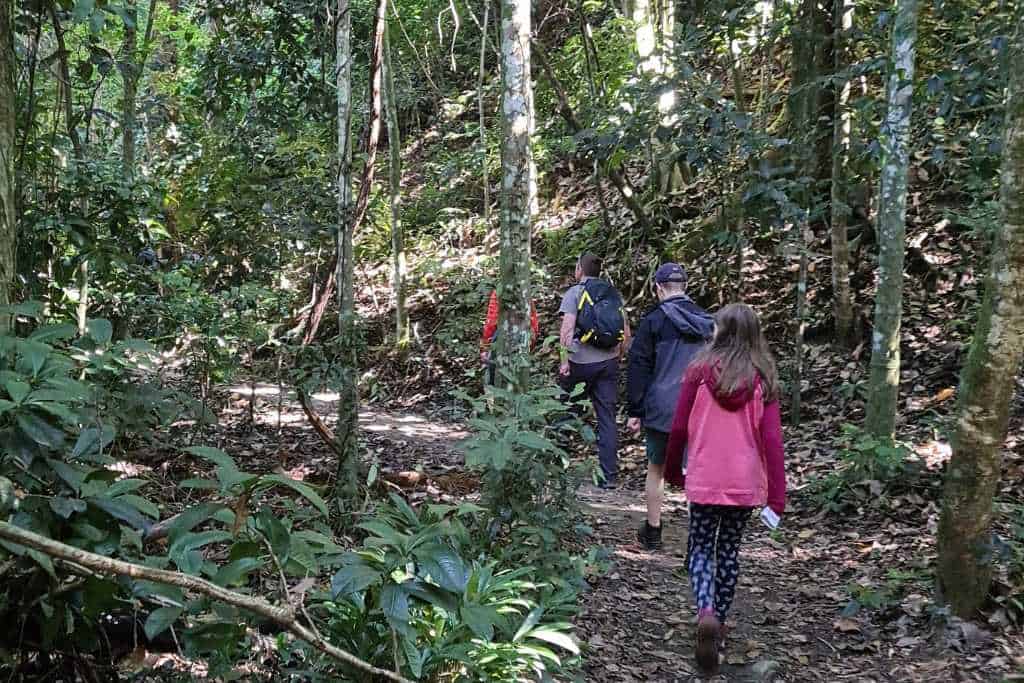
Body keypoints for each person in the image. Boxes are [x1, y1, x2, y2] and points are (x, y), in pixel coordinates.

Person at [662, 303, 786, 675]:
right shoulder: (764, 379)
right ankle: (721, 624)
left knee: (700, 547)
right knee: (729, 551)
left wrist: (672, 470)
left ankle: (705, 611)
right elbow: (773, 441)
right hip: (742, 482)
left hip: (704, 476)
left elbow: (680, 427)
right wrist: (777, 497)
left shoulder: (698, 372)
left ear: (721, 332)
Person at [626, 263, 713, 550]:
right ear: (684, 287)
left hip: (662, 408)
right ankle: (698, 541)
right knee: (696, 472)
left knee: (656, 468)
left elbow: (639, 366)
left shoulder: (653, 321)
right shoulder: (708, 321)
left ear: (658, 288)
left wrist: (635, 410)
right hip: (699, 408)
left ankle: (653, 532)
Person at [558, 253, 630, 488]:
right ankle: (609, 476)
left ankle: (558, 468)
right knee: (607, 419)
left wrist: (564, 361)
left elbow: (567, 330)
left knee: (566, 412)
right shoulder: (613, 294)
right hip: (608, 364)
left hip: (579, 362)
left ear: (579, 269)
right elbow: (625, 333)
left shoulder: (575, 293)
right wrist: (618, 355)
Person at [480, 289, 540, 385]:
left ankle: (493, 394)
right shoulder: (524, 292)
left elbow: (492, 321)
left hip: (502, 340)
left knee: (494, 377)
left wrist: (485, 347)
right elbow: (533, 320)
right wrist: (531, 343)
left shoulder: (499, 292)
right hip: (523, 338)